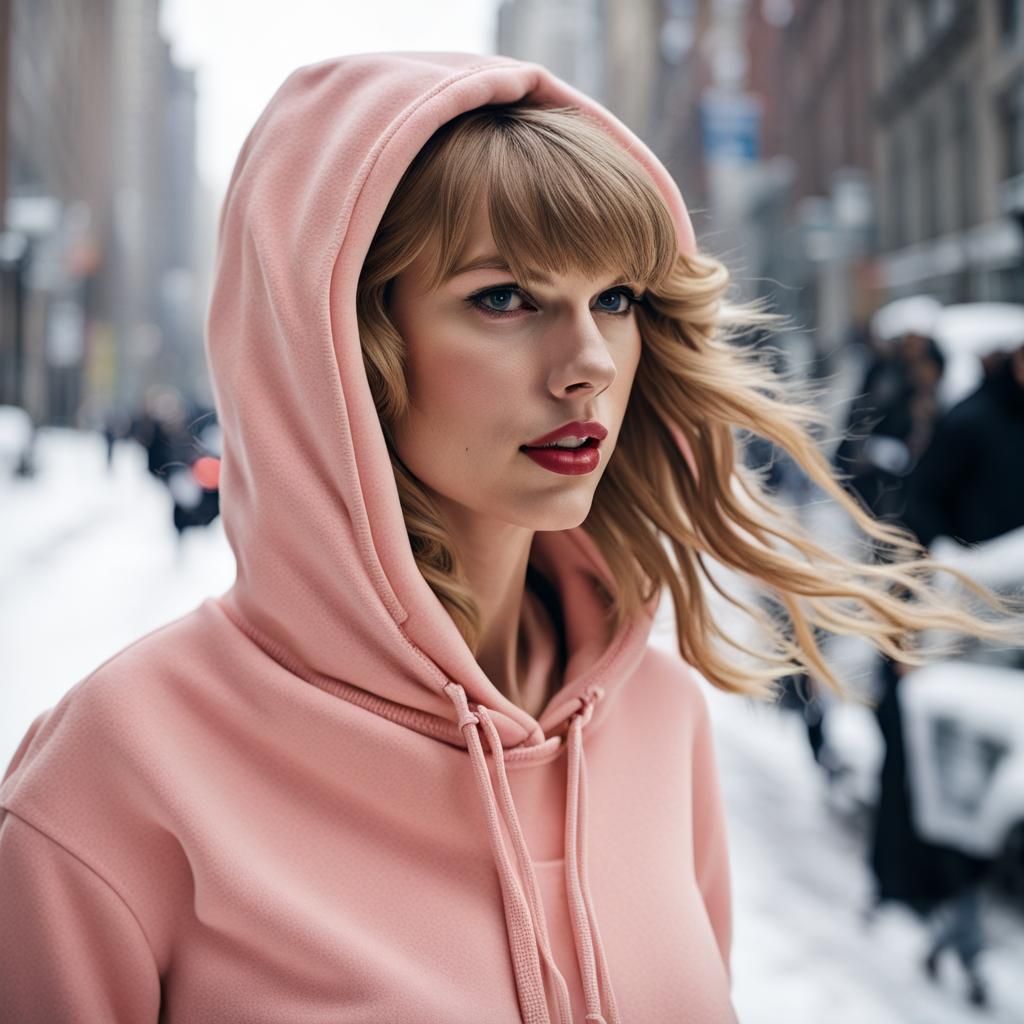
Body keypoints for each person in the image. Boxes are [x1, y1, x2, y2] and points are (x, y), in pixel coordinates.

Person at [0, 53, 1017, 1023]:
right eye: (503, 297)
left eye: (613, 298)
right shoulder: (116, 773)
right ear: (348, 344)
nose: (587, 363)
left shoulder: (653, 717)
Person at [868, 339, 1024, 1010]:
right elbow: (917, 519)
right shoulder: (969, 424)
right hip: (950, 629)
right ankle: (920, 893)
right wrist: (936, 596)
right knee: (935, 770)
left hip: (1007, 634)